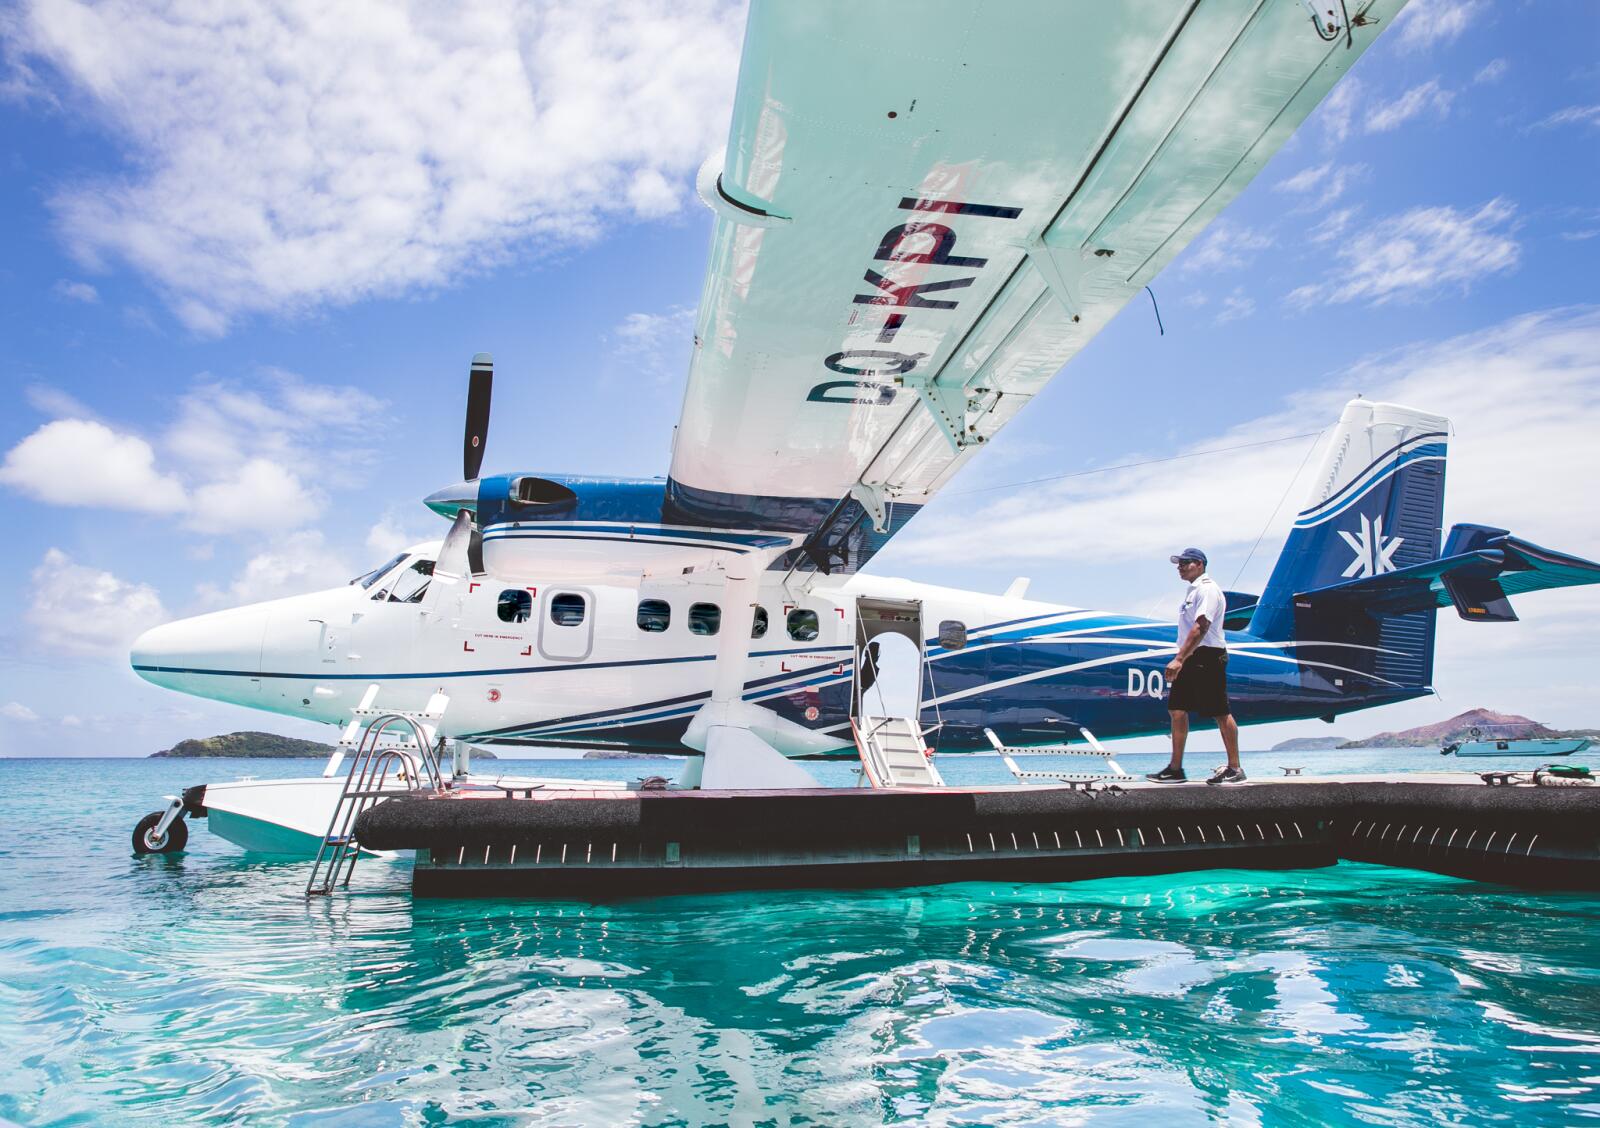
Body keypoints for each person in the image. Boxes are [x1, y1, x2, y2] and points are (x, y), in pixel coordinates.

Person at [1146, 547, 1245, 785]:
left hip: (1207, 656)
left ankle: (1235, 768)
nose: (1180, 567)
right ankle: (1175, 769)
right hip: (1192, 656)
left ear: (1200, 564)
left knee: (1220, 712)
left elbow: (1201, 626)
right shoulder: (1193, 591)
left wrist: (1179, 659)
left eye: (1185, 563)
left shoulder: (1208, 589)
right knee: (1177, 709)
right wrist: (1183, 657)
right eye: (1178, 563)